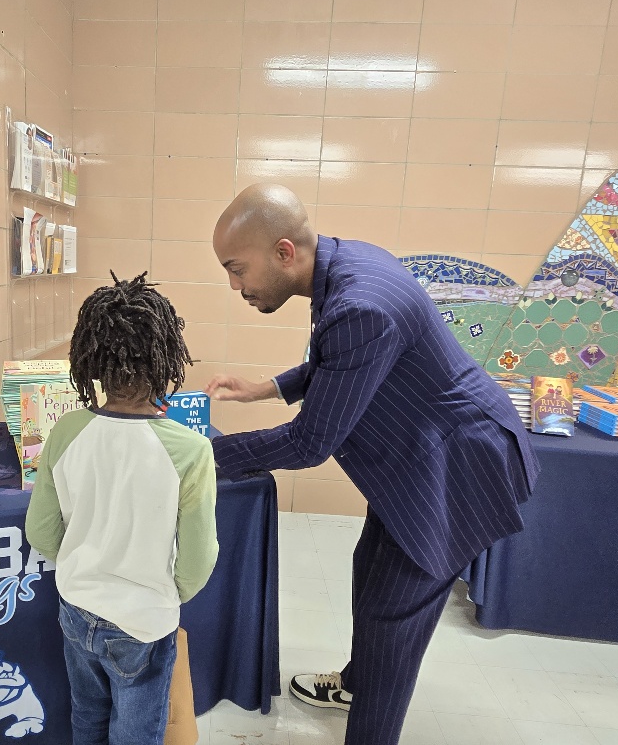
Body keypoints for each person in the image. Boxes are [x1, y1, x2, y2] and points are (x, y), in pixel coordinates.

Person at [205, 184, 540, 745]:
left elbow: (309, 443)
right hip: (421, 458)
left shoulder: (360, 303)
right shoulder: (349, 263)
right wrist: (267, 387)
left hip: (457, 468)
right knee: (370, 571)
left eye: (238, 270)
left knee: (391, 618)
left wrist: (201, 457)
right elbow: (343, 363)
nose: (235, 286)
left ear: (284, 252)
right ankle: (357, 684)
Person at [24, 272, 219, 745]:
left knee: (87, 716)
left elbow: (42, 532)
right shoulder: (191, 451)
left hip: (76, 608)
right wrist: (159, 594)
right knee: (136, 732)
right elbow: (196, 562)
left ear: (90, 358)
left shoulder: (67, 432)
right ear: (168, 359)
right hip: (143, 623)